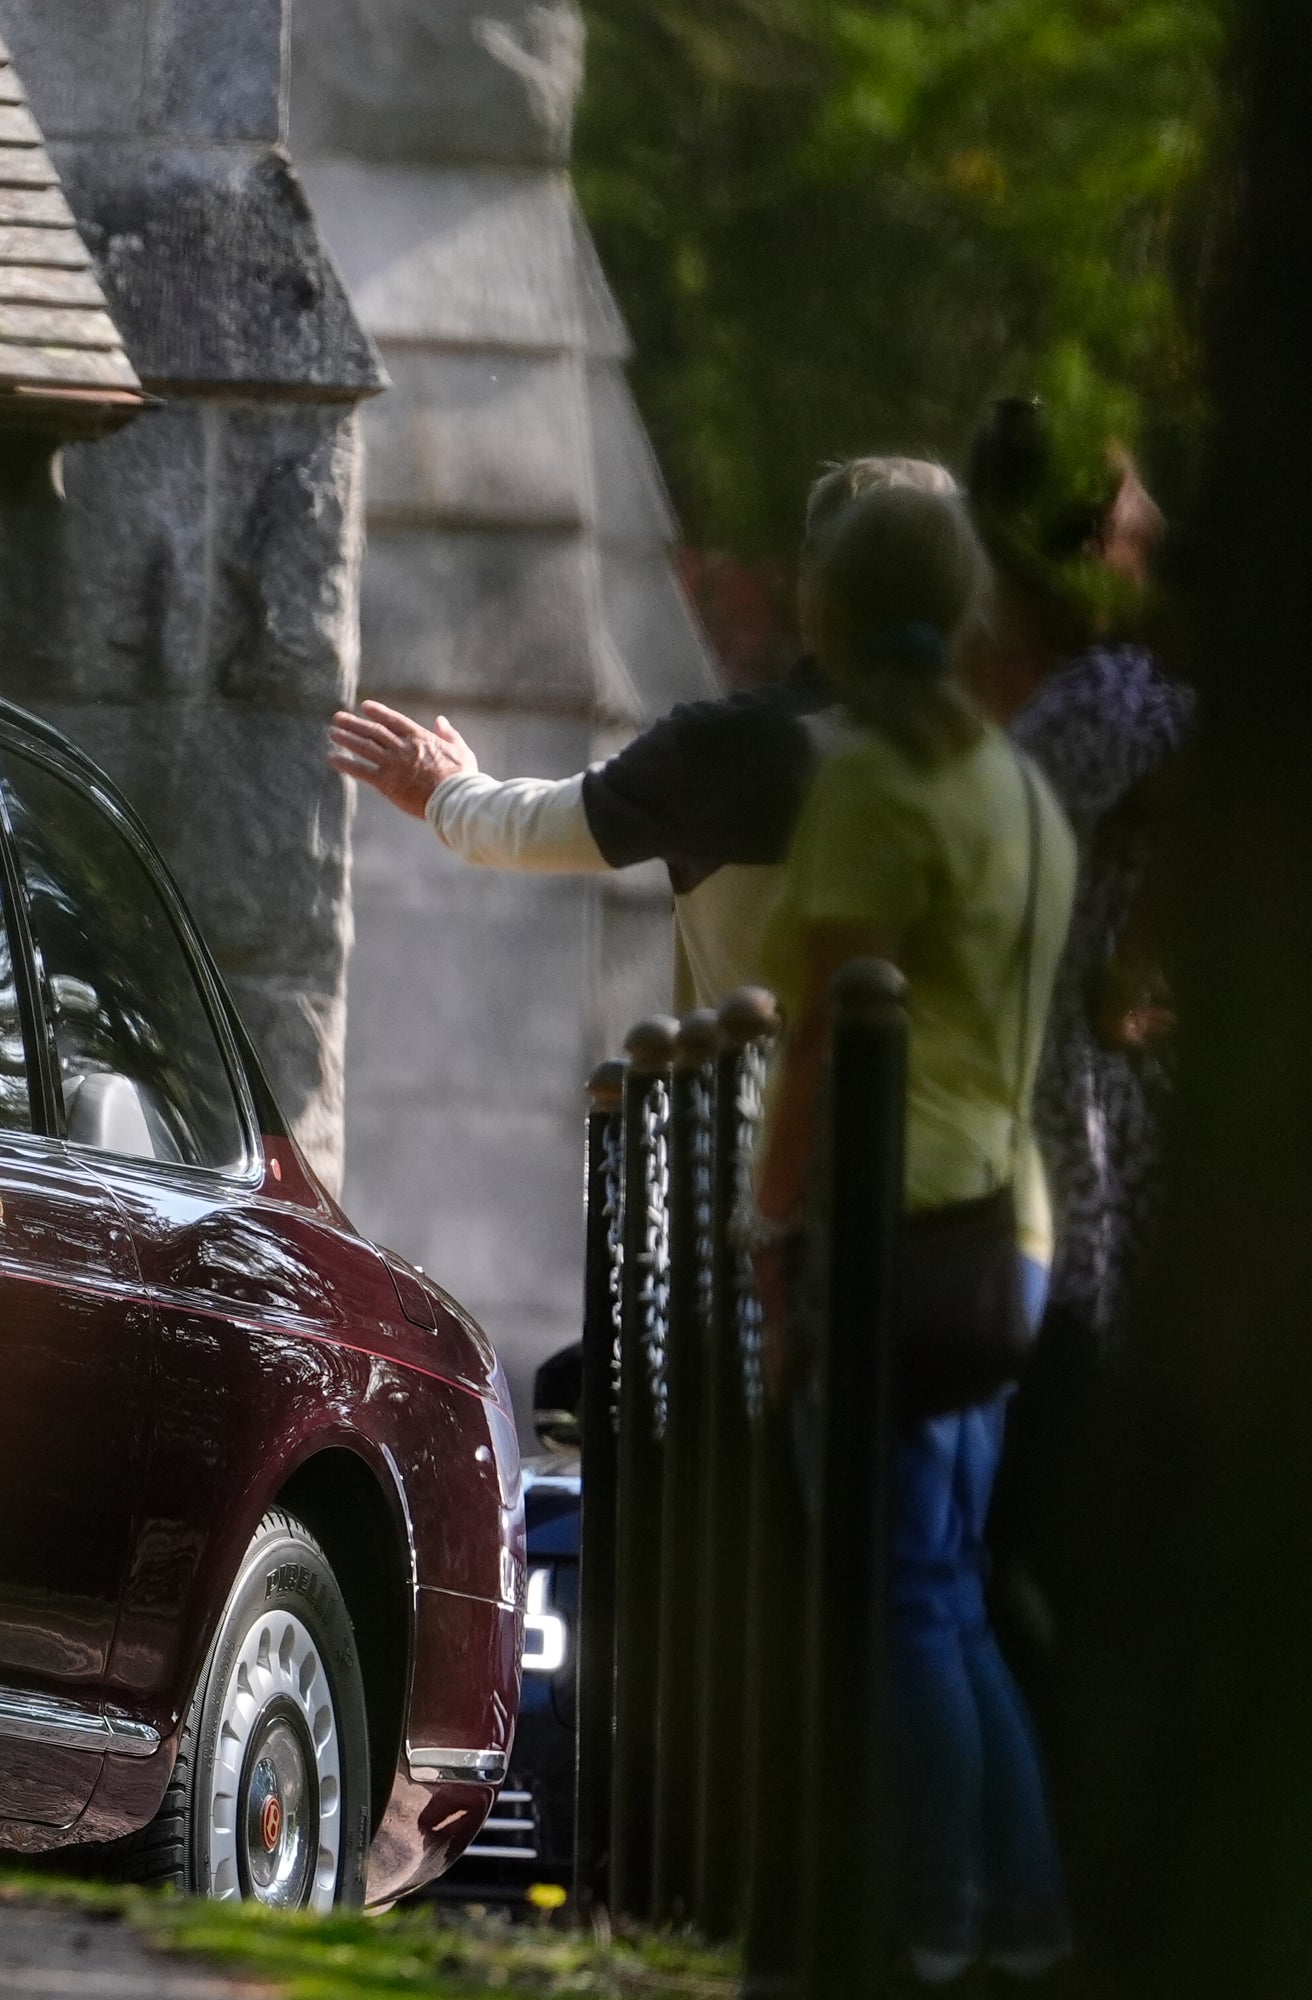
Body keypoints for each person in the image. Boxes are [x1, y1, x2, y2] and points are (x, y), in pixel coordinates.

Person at [749, 480, 1077, 1987]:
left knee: (897, 1594)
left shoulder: (878, 785)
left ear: (826, 607)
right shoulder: (1018, 788)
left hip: (897, 1225)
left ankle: (934, 1921)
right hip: (1007, 1228)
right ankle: (1018, 1909)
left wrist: (769, 1219)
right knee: (945, 1588)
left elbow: (830, 1030)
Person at [326, 457, 957, 1007]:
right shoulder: (1013, 765)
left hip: (768, 1135)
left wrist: (446, 790)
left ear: (817, 587)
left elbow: (545, 829)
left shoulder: (732, 750)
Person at [961, 398, 1195, 1701]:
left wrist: (1139, 956)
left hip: (1075, 1182)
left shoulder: (1098, 702)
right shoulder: (1106, 702)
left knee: (1022, 1537)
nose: (1153, 520)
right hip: (1082, 1178)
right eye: (1129, 500)